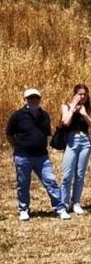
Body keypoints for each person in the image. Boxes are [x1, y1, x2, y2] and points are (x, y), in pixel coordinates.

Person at [6, 89, 70, 220]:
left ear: (40, 99)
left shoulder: (44, 115)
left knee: (51, 181)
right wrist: (17, 147)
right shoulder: (17, 115)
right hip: (23, 156)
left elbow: (46, 134)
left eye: (36, 98)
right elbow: (9, 134)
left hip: (42, 156)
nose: (34, 100)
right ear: (25, 100)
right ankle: (24, 209)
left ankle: (60, 208)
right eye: (30, 98)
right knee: (23, 184)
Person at [60, 84, 91, 214]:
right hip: (71, 141)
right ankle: (64, 203)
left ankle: (76, 202)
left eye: (84, 94)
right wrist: (72, 107)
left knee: (80, 175)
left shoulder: (90, 109)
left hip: (85, 142)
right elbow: (65, 122)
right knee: (66, 175)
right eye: (79, 94)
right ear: (74, 94)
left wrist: (85, 115)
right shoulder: (66, 107)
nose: (82, 97)